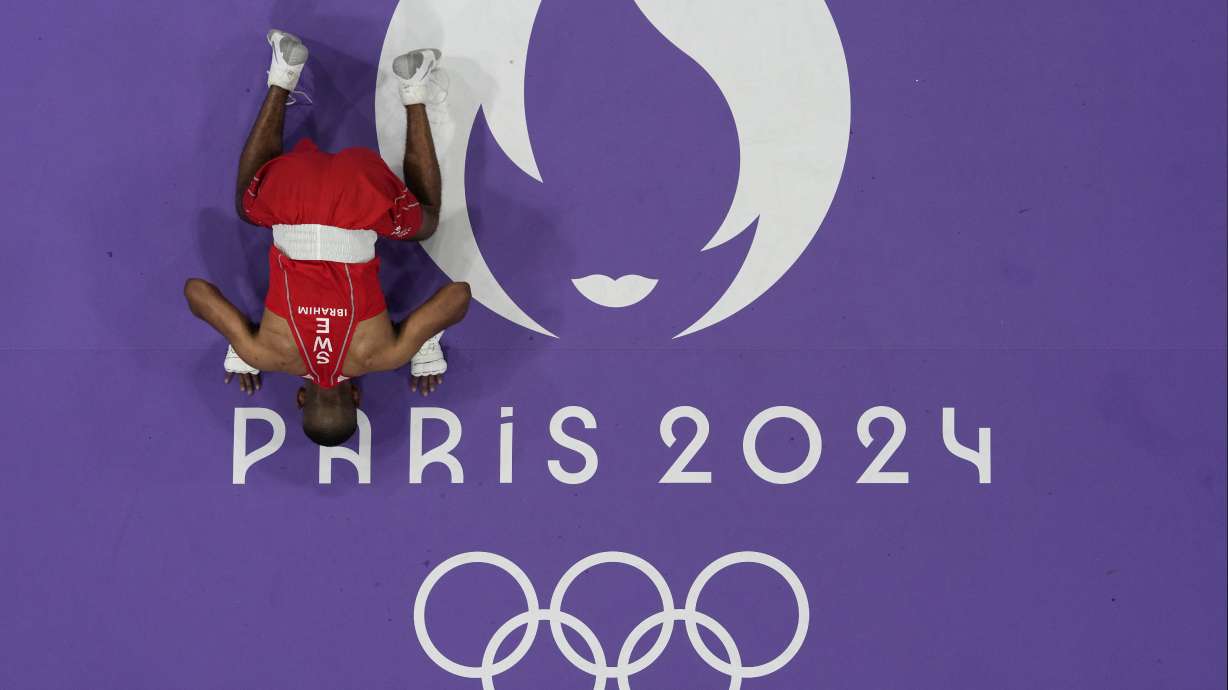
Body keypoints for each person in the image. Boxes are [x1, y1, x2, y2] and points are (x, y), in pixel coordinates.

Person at [184, 29, 469, 447]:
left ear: (355, 394)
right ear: (302, 397)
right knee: (248, 205)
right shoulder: (268, 354)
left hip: (359, 192)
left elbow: (458, 296)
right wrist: (239, 341)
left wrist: (420, 346)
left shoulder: (381, 356)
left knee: (425, 220)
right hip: (291, 194)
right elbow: (195, 292)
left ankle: (415, 85)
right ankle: (283, 72)